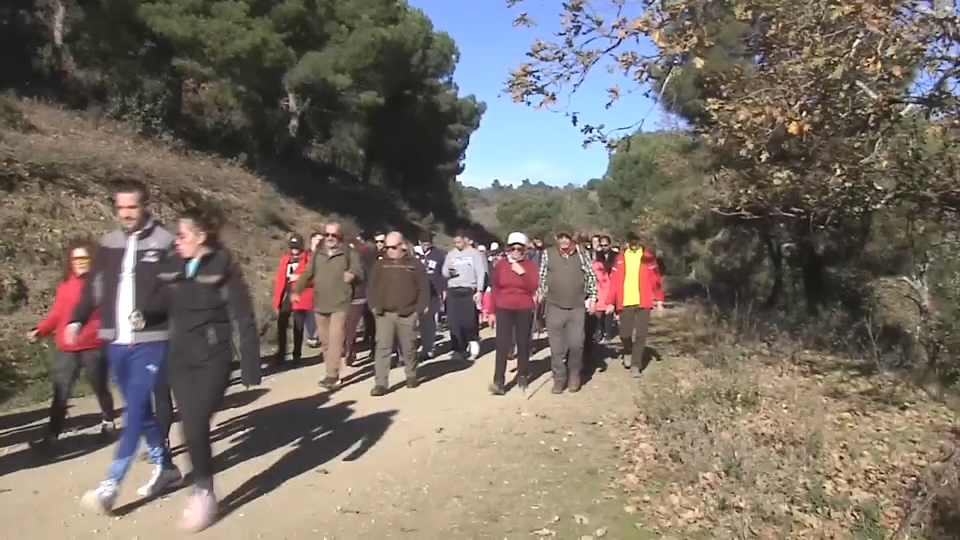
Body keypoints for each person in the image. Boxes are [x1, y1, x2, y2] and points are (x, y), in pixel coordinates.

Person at [140, 206, 261, 531]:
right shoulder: (174, 264)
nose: (176, 241)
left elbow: (243, 316)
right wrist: (145, 304)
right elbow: (157, 305)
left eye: (181, 235)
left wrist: (250, 364)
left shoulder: (224, 266)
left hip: (213, 358)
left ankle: (203, 493)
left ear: (200, 236)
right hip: (179, 357)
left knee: (194, 423)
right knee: (190, 426)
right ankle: (202, 483)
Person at [65, 180, 181, 514]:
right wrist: (77, 318)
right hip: (116, 339)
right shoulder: (109, 243)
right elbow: (95, 287)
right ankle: (168, 469)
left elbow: (176, 289)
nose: (126, 213)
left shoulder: (165, 242)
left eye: (132, 207)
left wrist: (151, 312)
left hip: (152, 339)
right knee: (139, 409)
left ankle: (110, 485)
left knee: (133, 412)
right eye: (121, 208)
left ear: (146, 205)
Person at [26, 239, 116, 451]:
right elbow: (57, 314)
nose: (79, 262)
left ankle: (108, 423)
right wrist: (40, 330)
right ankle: (52, 437)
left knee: (100, 387)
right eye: (75, 258)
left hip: (94, 344)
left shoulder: (101, 283)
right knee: (61, 392)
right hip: (67, 346)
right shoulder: (65, 286)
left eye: (84, 258)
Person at [291, 221, 364, 389]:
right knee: (325, 342)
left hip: (340, 304)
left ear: (340, 237)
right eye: (327, 235)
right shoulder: (318, 254)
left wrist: (352, 275)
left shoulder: (349, 253)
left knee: (335, 339)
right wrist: (297, 290)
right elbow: (308, 273)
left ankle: (333, 375)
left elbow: (360, 271)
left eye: (334, 235)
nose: (330, 238)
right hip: (320, 303)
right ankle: (330, 371)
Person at [366, 231, 430, 396]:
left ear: (402, 246)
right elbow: (371, 287)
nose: (389, 250)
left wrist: (419, 309)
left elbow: (423, 288)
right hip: (384, 314)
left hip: (407, 313)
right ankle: (381, 383)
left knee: (409, 347)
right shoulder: (380, 265)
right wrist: (373, 306)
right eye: (387, 247)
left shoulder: (414, 264)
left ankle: (411, 374)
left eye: (393, 247)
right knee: (383, 348)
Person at [538, 227, 598, 393]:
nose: (564, 241)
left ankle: (574, 375)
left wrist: (592, 297)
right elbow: (542, 277)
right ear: (557, 239)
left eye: (567, 238)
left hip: (577, 307)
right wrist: (540, 293)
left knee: (576, 344)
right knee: (556, 348)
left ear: (572, 239)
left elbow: (591, 276)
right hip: (554, 307)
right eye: (561, 238)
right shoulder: (548, 254)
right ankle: (559, 379)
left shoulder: (581, 253)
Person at [605, 232, 665, 377]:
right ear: (627, 242)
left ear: (640, 241)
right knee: (625, 333)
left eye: (636, 240)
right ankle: (627, 349)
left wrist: (659, 301)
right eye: (630, 240)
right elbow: (613, 282)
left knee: (641, 334)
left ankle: (636, 365)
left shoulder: (648, 258)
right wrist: (610, 302)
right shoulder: (620, 258)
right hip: (625, 301)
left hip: (643, 301)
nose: (633, 243)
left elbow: (656, 281)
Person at [488, 232, 538, 395]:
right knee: (502, 344)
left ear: (524, 250)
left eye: (519, 249)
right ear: (508, 249)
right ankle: (498, 381)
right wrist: (491, 311)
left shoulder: (530, 266)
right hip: (504, 307)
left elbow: (533, 286)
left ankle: (522, 374)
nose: (516, 252)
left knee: (523, 343)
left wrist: (522, 273)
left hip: (524, 307)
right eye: (513, 248)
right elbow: (495, 288)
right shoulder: (501, 265)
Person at [441, 230, 487, 362]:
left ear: (465, 240)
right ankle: (457, 349)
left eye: (459, 242)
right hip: (453, 289)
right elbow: (444, 271)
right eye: (454, 242)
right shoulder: (451, 254)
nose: (457, 245)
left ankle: (472, 341)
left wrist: (479, 290)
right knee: (454, 322)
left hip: (469, 289)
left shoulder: (475, 254)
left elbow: (480, 273)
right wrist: (448, 272)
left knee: (468, 321)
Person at [271, 234, 312, 367]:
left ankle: (297, 355)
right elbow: (280, 280)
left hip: (300, 294)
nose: (294, 250)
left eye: (296, 247)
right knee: (281, 323)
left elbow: (314, 277)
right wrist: (277, 300)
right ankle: (281, 353)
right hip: (287, 294)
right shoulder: (286, 259)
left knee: (298, 326)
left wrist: (299, 277)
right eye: (292, 247)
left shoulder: (308, 259)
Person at [416, 231, 446, 359]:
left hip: (434, 292)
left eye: (428, 244)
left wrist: (444, 289)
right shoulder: (415, 255)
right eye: (423, 243)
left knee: (432, 321)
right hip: (418, 293)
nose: (425, 246)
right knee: (421, 322)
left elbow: (443, 274)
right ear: (419, 243)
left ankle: (430, 348)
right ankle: (424, 345)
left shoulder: (439, 255)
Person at [304, 232, 322, 347]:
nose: (319, 241)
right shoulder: (305, 255)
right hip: (308, 289)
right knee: (309, 314)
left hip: (322, 288)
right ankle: (310, 336)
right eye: (317, 239)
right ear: (311, 241)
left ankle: (317, 336)